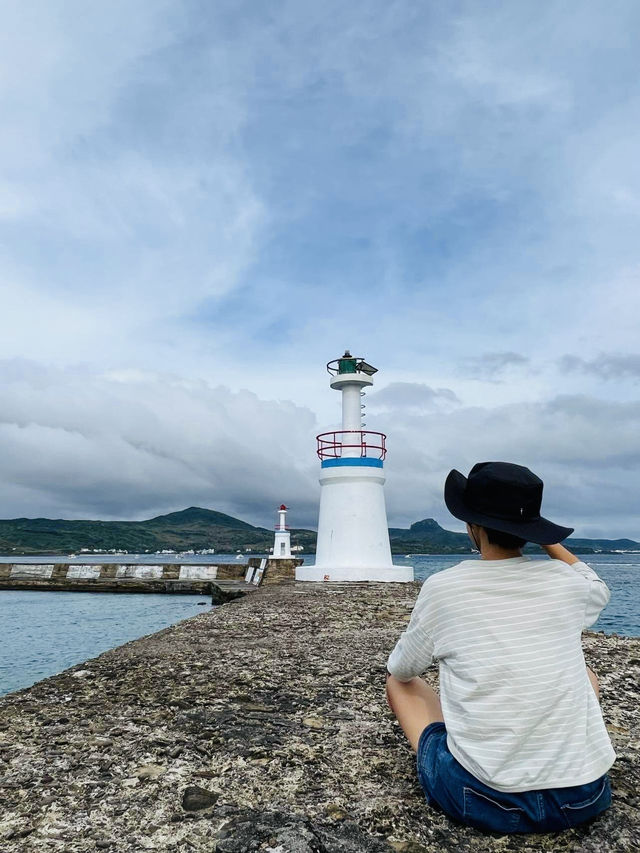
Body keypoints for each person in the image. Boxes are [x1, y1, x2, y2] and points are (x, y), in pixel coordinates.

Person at [386, 461, 615, 834]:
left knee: (397, 682)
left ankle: (472, 754)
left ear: (472, 527)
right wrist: (546, 539)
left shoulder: (445, 588)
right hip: (585, 795)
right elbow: (597, 586)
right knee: (585, 673)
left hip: (486, 801)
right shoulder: (567, 584)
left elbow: (402, 668)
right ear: (531, 530)